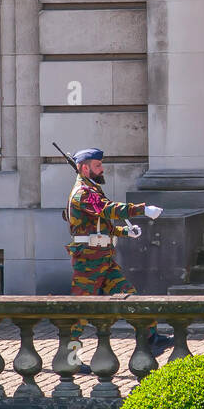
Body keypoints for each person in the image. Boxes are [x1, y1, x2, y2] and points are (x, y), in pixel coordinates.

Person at [64, 147, 169, 361]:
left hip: (103, 259)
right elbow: (107, 210)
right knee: (80, 313)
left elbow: (101, 225)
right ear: (84, 168)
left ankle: (151, 338)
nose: (102, 169)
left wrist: (124, 231)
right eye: (97, 165)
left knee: (129, 294)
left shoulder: (91, 189)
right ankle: (69, 361)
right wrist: (142, 210)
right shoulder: (82, 193)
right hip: (88, 262)